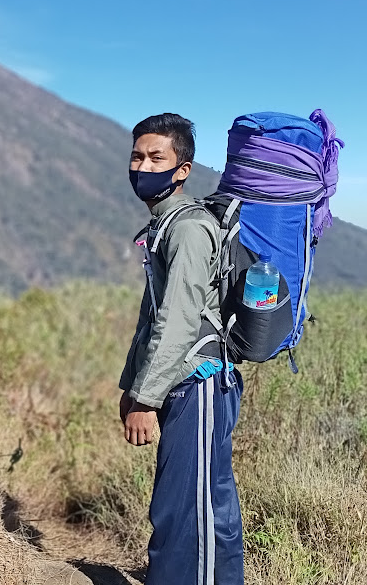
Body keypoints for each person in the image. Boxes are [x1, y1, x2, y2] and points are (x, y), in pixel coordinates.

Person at [118, 113, 245, 584]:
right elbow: (151, 318)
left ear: (182, 169)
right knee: (211, 506)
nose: (142, 165)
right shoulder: (165, 225)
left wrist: (147, 399)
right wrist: (132, 387)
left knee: (182, 512)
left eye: (156, 157)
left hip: (199, 385)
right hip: (192, 383)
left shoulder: (188, 229)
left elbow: (177, 321)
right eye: (137, 155)